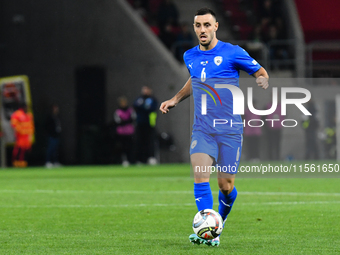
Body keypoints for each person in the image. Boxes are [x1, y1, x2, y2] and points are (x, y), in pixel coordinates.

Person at [160, 8, 269, 246]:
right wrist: (175, 99)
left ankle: (218, 224)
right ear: (194, 28)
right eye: (198, 25)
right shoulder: (190, 55)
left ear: (216, 26)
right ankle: (209, 230)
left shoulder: (232, 52)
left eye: (207, 25)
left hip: (230, 129)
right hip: (203, 128)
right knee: (200, 176)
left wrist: (262, 78)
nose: (202, 30)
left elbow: (260, 71)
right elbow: (195, 78)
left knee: (225, 185)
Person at [134, 86, 158, 165]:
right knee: (139, 141)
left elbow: (152, 108)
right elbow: (135, 106)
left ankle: (151, 157)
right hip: (140, 123)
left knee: (150, 141)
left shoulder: (152, 99)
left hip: (150, 123)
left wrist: (143, 107)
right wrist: (144, 107)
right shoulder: (139, 99)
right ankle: (140, 159)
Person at [10, 102, 35, 167]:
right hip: (20, 136)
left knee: (25, 150)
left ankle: (23, 162)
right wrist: (20, 131)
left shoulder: (29, 115)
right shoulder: (17, 114)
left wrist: (30, 134)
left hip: (26, 136)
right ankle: (16, 162)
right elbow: (14, 125)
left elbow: (31, 126)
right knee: (19, 149)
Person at [114, 96, 135, 166]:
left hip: (129, 132)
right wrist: (126, 121)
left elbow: (133, 119)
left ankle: (131, 160)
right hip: (121, 132)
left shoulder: (130, 110)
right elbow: (118, 121)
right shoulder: (118, 111)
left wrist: (125, 121)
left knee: (130, 147)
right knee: (122, 147)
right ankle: (124, 160)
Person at [45, 104, 62, 168]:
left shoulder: (57, 117)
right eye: (55, 108)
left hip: (56, 135)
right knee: (50, 149)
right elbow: (47, 126)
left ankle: (55, 162)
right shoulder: (50, 117)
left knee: (55, 150)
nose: (56, 110)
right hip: (51, 135)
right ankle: (48, 162)